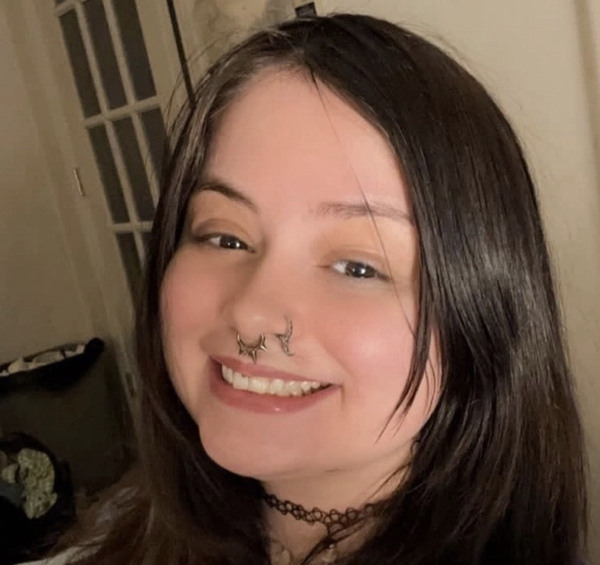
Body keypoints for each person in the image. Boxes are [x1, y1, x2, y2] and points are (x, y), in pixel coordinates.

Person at [65, 12, 586, 565]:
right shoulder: (117, 530)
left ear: (483, 316)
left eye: (357, 267)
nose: (252, 314)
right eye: (225, 238)